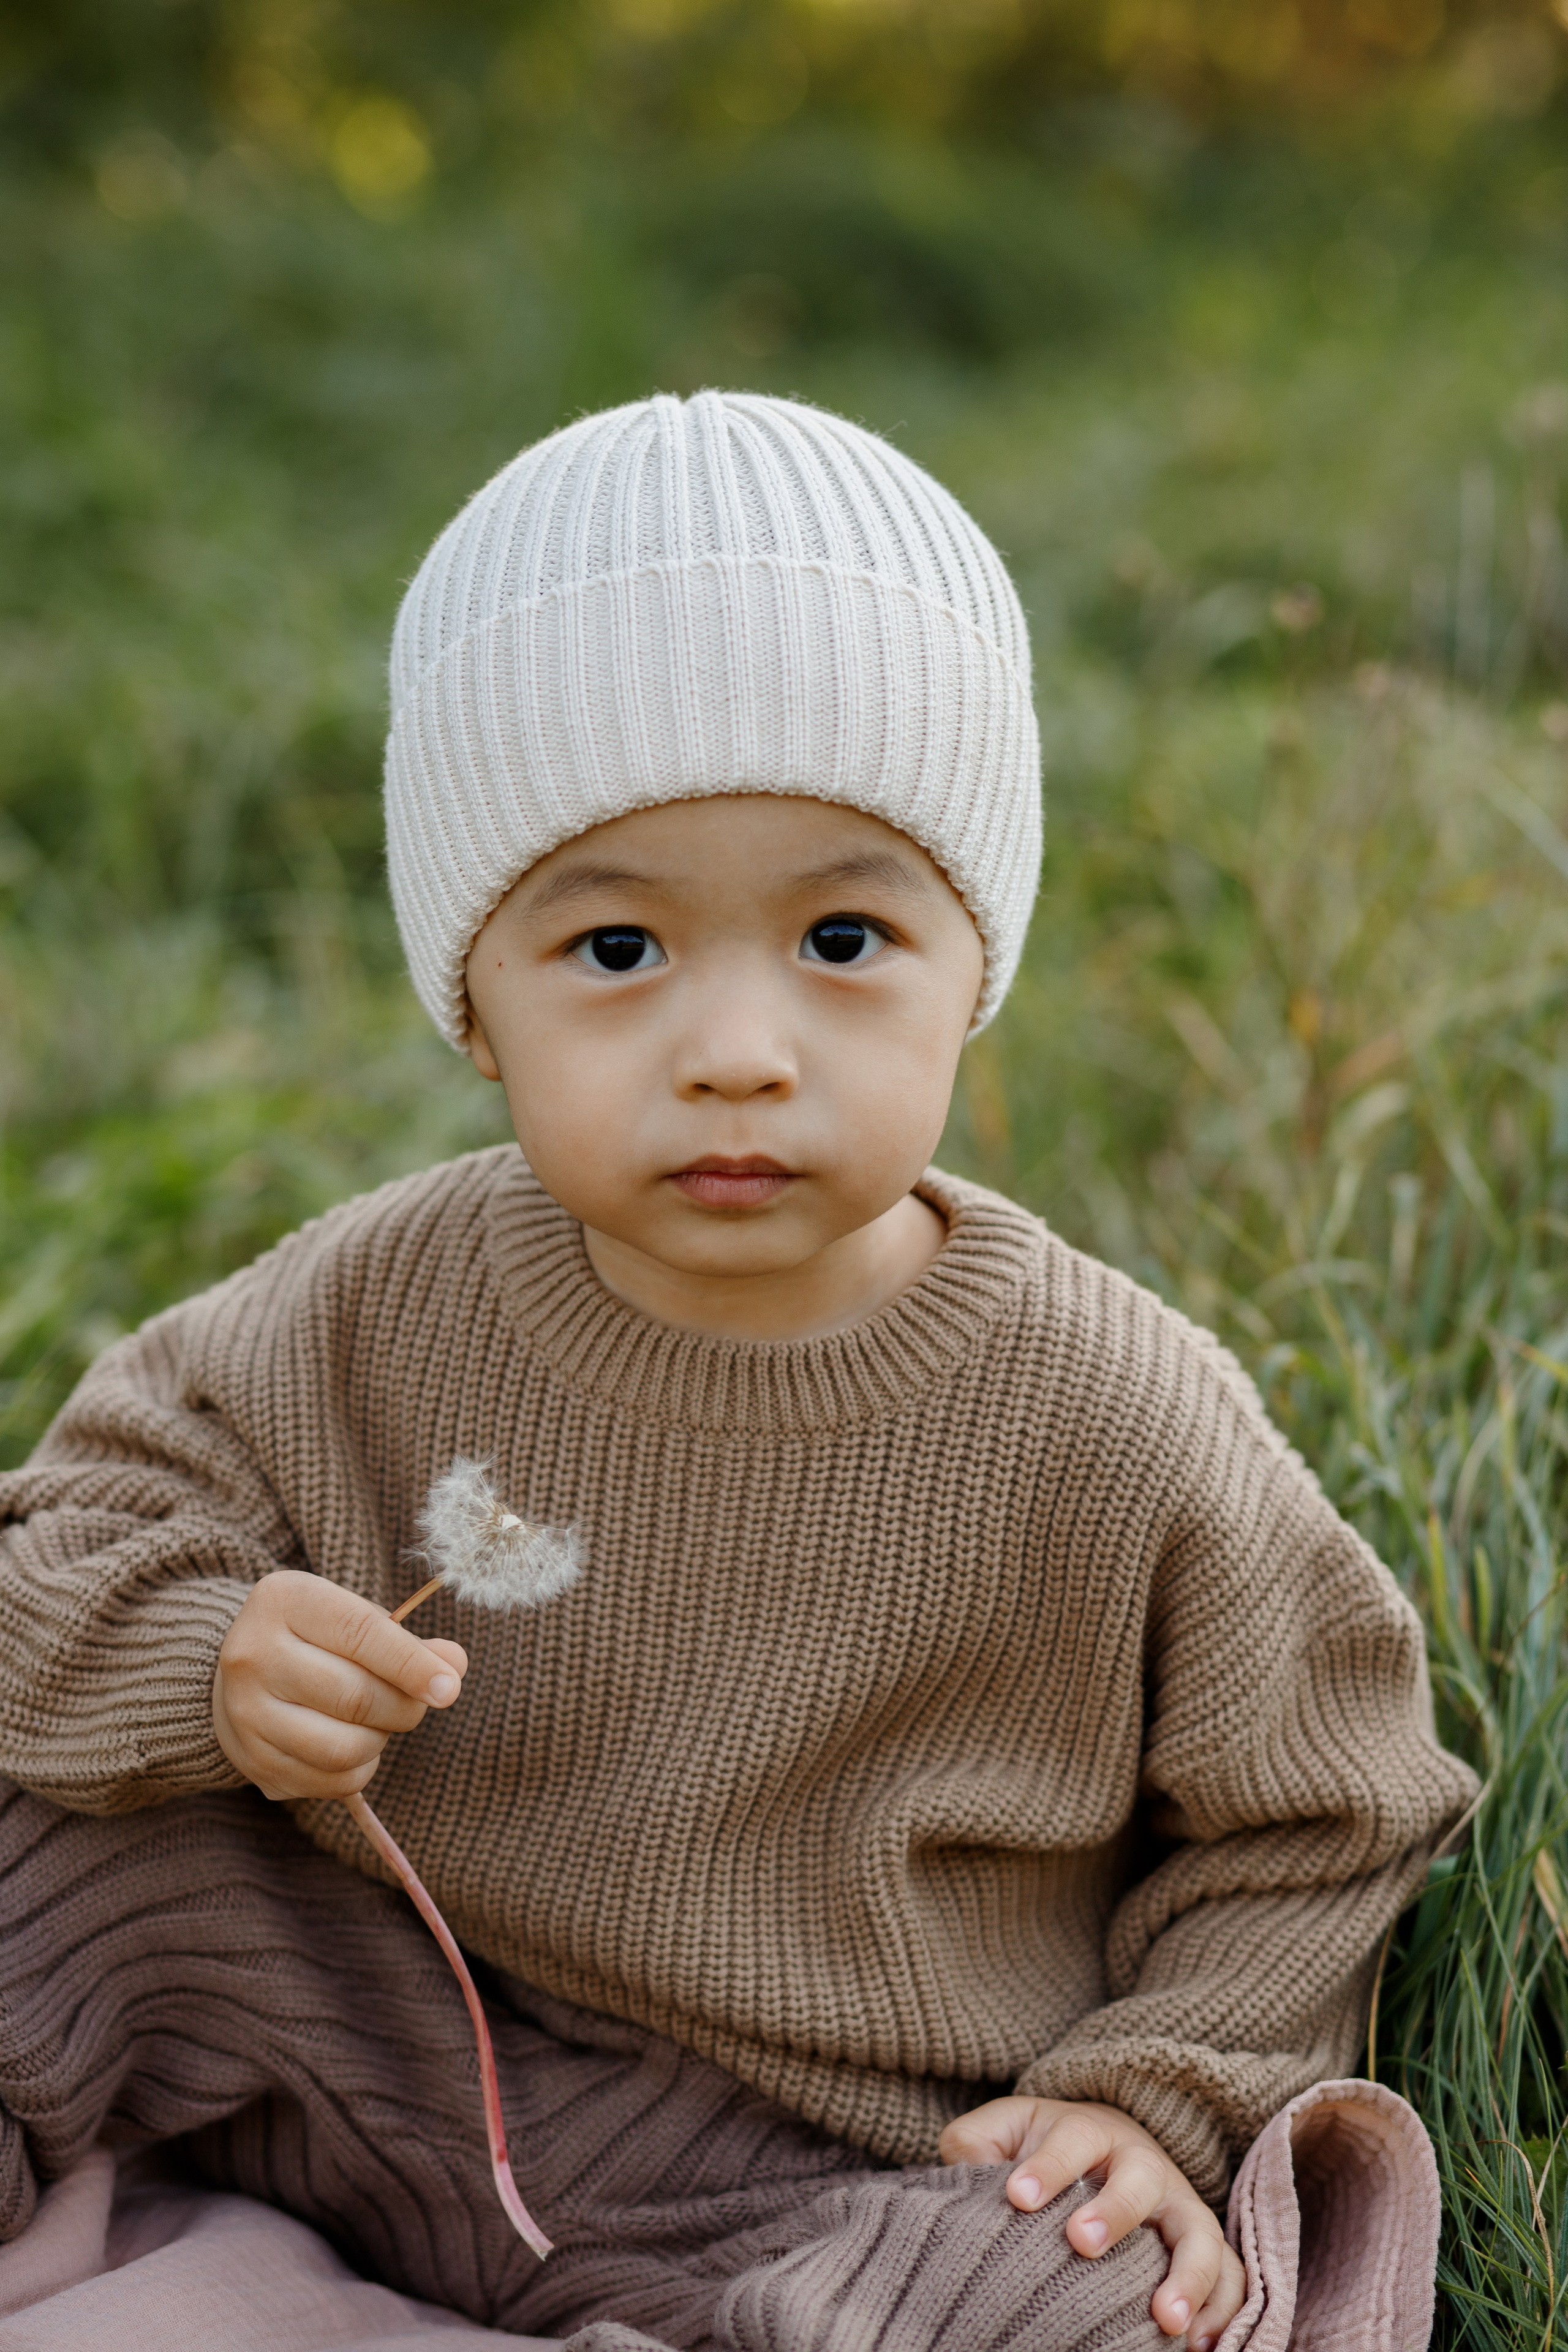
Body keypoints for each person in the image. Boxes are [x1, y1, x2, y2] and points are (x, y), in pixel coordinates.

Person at [0, 392, 1476, 2352]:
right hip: (393, 2029)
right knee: (47, 1857)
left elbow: (1332, 1807)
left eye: (844, 935)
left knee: (1076, 2285)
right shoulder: (371, 1299)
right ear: (476, 1001)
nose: (737, 1050)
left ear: (976, 961)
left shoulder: (1110, 1409)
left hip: (851, 2170)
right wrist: (206, 1664)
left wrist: (1156, 2093)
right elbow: (65, 1537)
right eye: (614, 951)